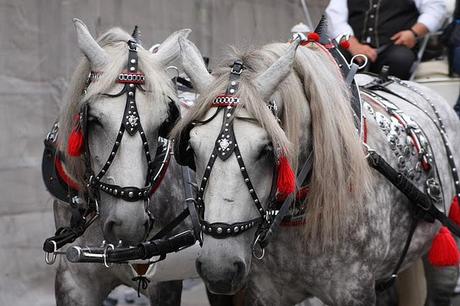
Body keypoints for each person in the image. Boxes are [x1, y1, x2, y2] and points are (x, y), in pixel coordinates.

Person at [326, 0, 446, 79]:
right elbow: (334, 16)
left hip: (394, 46)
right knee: (332, 59)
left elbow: (435, 10)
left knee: (400, 59)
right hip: (352, 45)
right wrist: (352, 44)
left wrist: (413, 33)